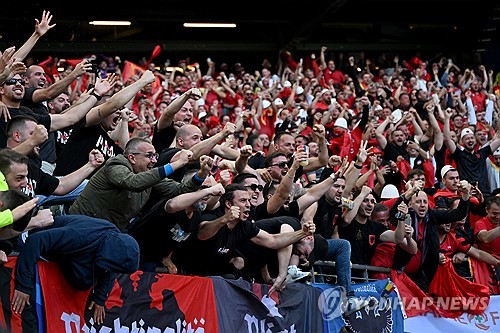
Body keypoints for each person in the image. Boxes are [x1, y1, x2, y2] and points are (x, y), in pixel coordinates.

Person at [11, 215, 140, 326]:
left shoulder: (114, 241)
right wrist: (23, 286)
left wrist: (100, 297)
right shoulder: (79, 237)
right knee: (82, 278)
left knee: (83, 281)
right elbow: (35, 241)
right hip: (35, 241)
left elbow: (110, 268)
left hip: (68, 254)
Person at [69, 137, 207, 231]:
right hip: (82, 224)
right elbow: (133, 182)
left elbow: (178, 190)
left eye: (155, 156)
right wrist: (177, 164)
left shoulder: (148, 174)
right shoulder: (116, 164)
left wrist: (201, 174)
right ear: (132, 158)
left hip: (108, 229)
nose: (153, 161)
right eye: (149, 156)